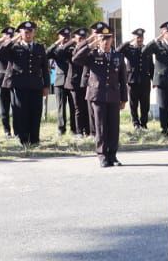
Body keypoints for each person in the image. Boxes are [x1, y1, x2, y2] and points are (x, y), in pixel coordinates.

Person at [73, 29, 128, 167]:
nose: (106, 41)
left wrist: (124, 98)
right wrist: (90, 44)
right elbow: (76, 59)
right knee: (101, 126)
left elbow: (122, 78)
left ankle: (113, 155)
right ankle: (102, 155)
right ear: (99, 40)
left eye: (108, 38)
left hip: (114, 95)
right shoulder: (92, 55)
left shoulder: (118, 56)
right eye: (103, 38)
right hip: (97, 95)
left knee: (114, 127)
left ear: (112, 39)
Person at [1, 21, 49, 146]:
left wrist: (46, 86)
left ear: (34, 33)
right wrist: (13, 40)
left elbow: (45, 68)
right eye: (25, 32)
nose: (28, 34)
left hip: (36, 85)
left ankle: (34, 139)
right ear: (20, 33)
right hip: (20, 86)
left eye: (30, 32)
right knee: (21, 113)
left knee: (35, 112)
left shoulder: (39, 47)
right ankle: (23, 139)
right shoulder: (14, 47)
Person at [120, 28, 153, 130]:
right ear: (134, 38)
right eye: (138, 37)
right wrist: (128, 42)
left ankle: (144, 123)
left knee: (145, 105)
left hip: (145, 81)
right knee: (133, 105)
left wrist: (153, 79)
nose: (140, 39)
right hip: (132, 81)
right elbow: (118, 50)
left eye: (141, 37)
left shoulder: (146, 49)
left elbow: (151, 66)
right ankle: (136, 123)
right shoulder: (129, 49)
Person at [47, 27, 76, 136]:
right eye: (63, 37)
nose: (65, 39)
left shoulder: (73, 48)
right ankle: (61, 128)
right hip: (59, 80)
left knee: (73, 106)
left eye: (67, 37)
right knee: (61, 106)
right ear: (59, 37)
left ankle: (74, 128)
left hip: (71, 80)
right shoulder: (56, 49)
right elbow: (47, 54)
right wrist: (56, 43)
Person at [65, 28, 91, 136]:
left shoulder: (87, 50)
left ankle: (88, 130)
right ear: (74, 38)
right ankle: (79, 131)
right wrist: (74, 41)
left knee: (86, 108)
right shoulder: (70, 49)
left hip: (85, 82)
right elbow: (62, 49)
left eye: (83, 38)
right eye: (79, 38)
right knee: (78, 109)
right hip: (74, 82)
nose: (81, 40)